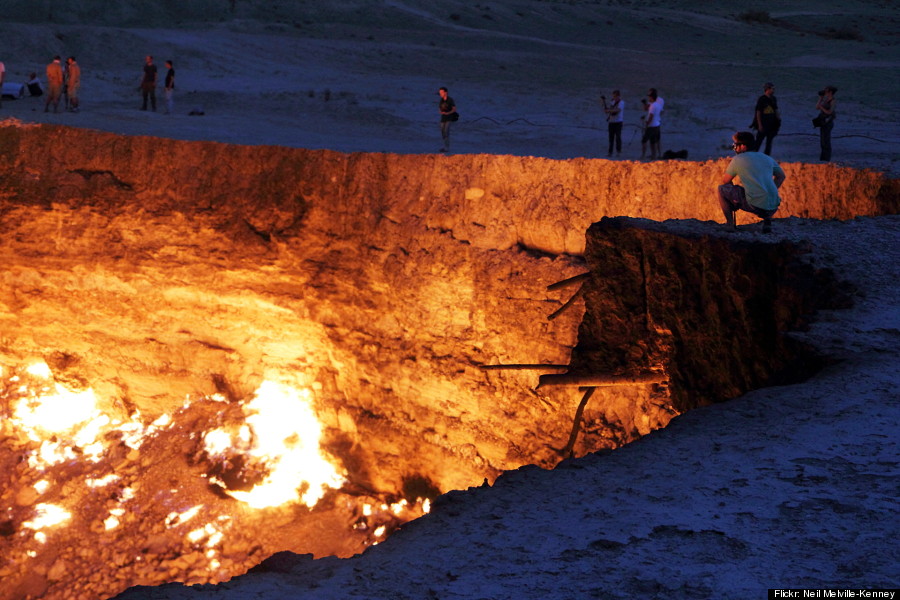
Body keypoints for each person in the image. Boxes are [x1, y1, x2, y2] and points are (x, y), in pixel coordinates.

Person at [716, 131, 786, 233]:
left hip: (755, 205)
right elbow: (781, 176)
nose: (734, 148)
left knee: (721, 189)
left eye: (735, 145)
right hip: (773, 207)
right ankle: (767, 221)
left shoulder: (738, 159)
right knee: (760, 193)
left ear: (743, 146)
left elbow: (725, 181)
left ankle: (730, 224)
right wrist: (770, 190)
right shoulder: (767, 158)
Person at [752, 82, 781, 155]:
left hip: (772, 124)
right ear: (767, 89)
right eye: (772, 89)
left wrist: (778, 120)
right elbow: (758, 112)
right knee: (758, 141)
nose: (774, 90)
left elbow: (776, 110)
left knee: (769, 143)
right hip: (764, 124)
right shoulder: (762, 99)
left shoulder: (773, 99)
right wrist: (760, 125)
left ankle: (767, 157)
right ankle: (753, 156)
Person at [815, 86, 837, 161]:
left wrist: (822, 108)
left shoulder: (833, 101)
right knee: (822, 141)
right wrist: (820, 98)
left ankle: (827, 158)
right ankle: (823, 158)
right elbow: (817, 107)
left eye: (826, 91)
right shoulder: (825, 100)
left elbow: (830, 112)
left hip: (828, 122)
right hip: (823, 122)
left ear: (830, 92)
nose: (825, 92)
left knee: (826, 141)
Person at [641, 88, 662, 160]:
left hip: (651, 126)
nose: (648, 98)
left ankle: (643, 155)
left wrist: (647, 123)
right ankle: (654, 156)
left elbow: (651, 116)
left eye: (649, 96)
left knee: (644, 140)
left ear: (651, 97)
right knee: (653, 142)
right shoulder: (658, 105)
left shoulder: (653, 106)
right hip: (657, 125)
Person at [603, 90, 624, 157]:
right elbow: (610, 110)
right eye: (613, 96)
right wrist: (607, 109)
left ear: (618, 96)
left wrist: (609, 110)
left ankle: (618, 152)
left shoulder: (621, 102)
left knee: (618, 137)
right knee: (611, 138)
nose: (614, 97)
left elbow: (617, 110)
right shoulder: (612, 102)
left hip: (618, 122)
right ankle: (610, 152)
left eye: (615, 96)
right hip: (611, 122)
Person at [437, 86, 458, 153]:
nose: (440, 93)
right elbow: (439, 108)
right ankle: (444, 146)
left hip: (449, 118)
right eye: (440, 92)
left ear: (446, 93)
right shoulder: (441, 100)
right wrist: (441, 111)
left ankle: (447, 148)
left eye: (441, 92)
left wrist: (448, 113)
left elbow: (454, 109)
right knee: (443, 132)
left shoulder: (450, 100)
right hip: (443, 118)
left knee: (446, 132)